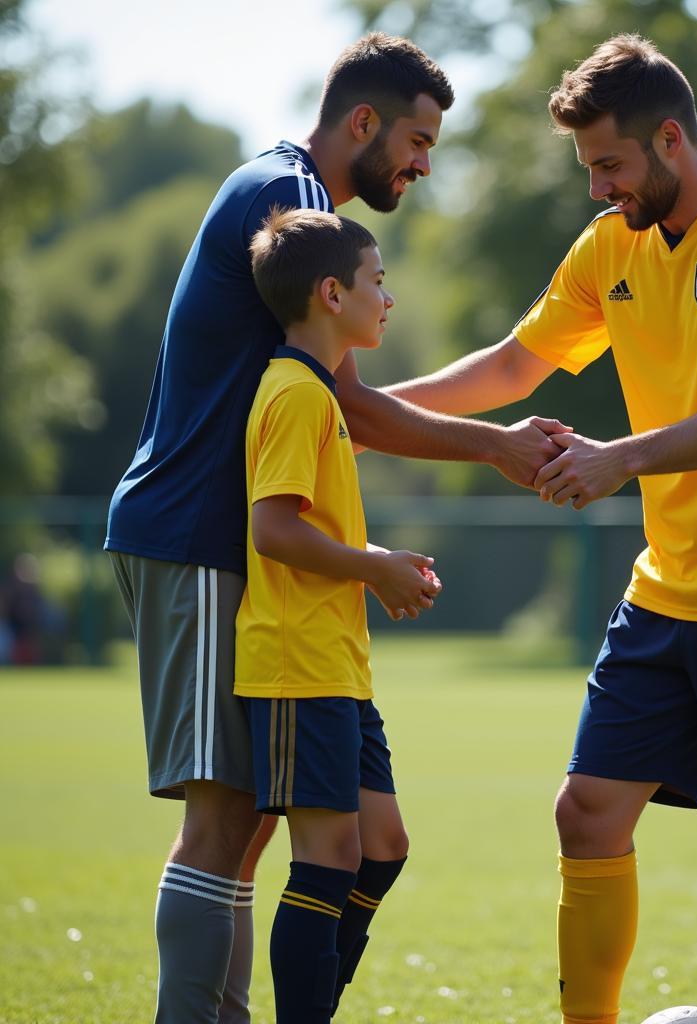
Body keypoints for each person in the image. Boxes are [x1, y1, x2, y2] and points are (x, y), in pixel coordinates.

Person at [336, 34, 697, 1024]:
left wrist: (618, 455)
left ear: (670, 140)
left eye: (608, 165)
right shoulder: (613, 242)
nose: (595, 188)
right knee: (586, 813)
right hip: (668, 583)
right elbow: (509, 366)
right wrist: (363, 422)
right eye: (588, 169)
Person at [106, 32, 565, 1024]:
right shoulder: (299, 207)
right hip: (190, 536)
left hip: (220, 547)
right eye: (415, 138)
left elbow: (336, 402)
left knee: (253, 821)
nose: (424, 163)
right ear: (362, 122)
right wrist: (494, 447)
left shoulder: (282, 194)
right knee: (222, 813)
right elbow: (349, 407)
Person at [238, 206, 440, 1024]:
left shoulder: (321, 396)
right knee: (327, 861)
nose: (386, 299)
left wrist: (382, 566)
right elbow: (273, 528)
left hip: (338, 669)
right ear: (331, 294)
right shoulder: (292, 393)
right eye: (377, 283)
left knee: (380, 850)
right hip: (295, 665)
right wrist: (373, 568)